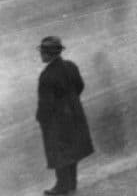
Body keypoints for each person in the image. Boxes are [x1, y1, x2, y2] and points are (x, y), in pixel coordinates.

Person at [37, 36, 94, 195]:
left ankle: (62, 185)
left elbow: (45, 104)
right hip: (74, 113)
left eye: (43, 52)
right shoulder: (71, 66)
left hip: (57, 120)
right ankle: (71, 183)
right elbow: (80, 86)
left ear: (50, 54)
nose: (41, 55)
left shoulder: (46, 76)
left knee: (59, 152)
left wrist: (41, 119)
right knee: (72, 149)